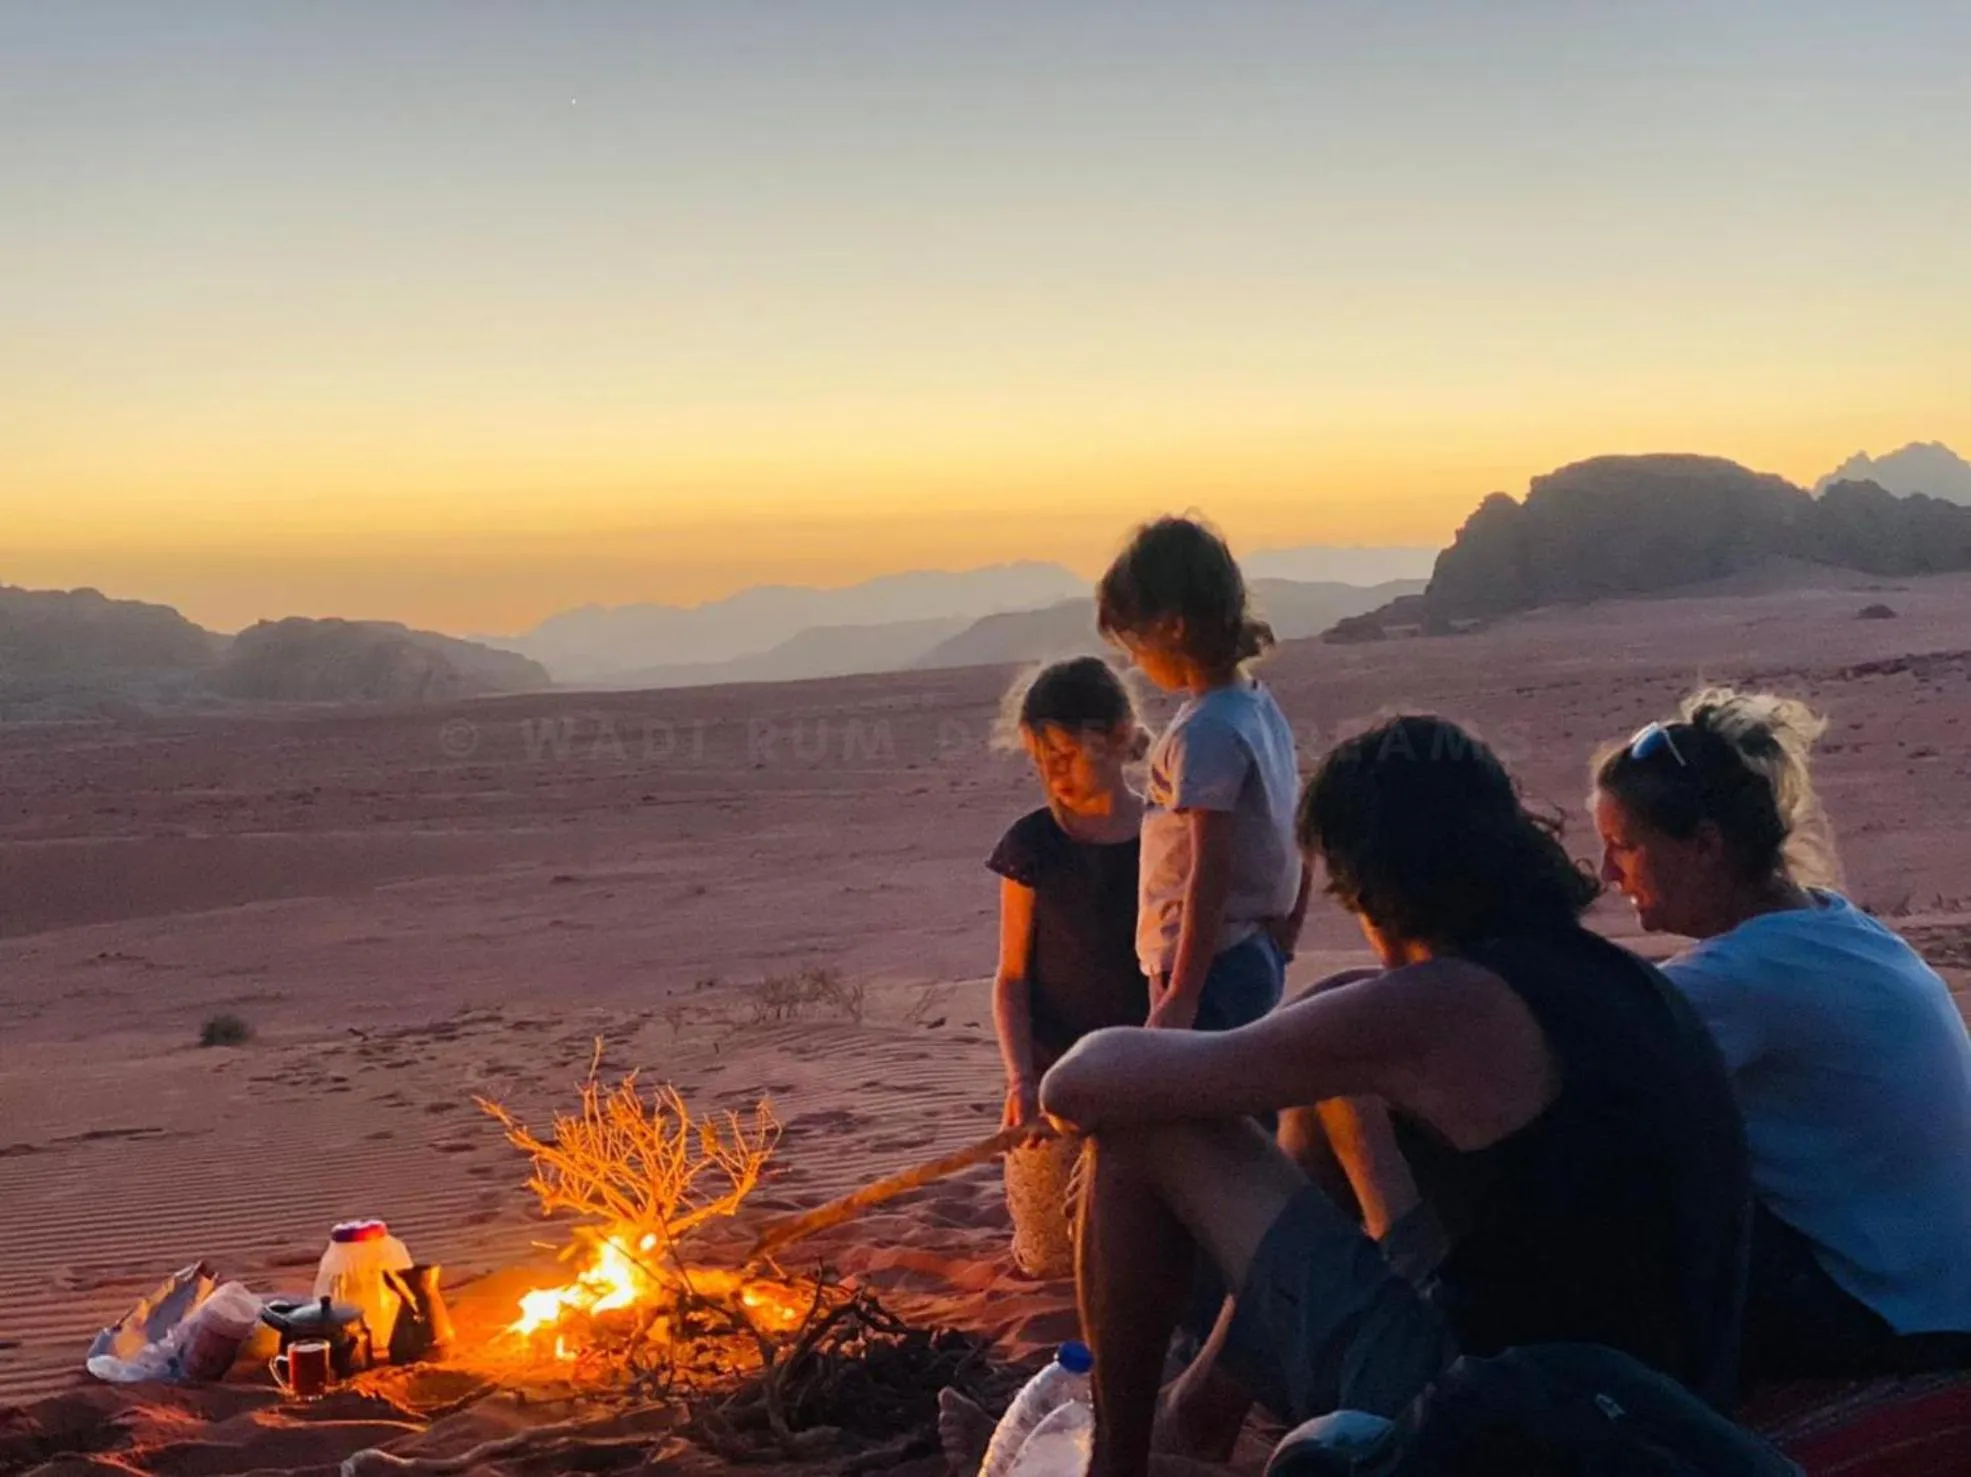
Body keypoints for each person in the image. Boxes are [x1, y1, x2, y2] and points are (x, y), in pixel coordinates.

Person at [1040, 716, 1750, 1477]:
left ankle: (1114, 1463)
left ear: (1367, 884)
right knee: (1333, 1075)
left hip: (1512, 1421)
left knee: (1141, 1125)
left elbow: (1078, 1084)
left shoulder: (1439, 1006)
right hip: (1659, 1398)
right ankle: (1195, 1416)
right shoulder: (1602, 975)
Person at [1594, 687, 1971, 1381]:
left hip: (1901, 1322)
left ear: (1703, 845)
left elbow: (1566, 1056)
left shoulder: (1743, 977)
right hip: (1942, 1294)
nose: (1606, 872)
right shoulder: (1832, 927)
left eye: (1623, 846)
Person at [1094, 515, 1307, 1033]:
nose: (1137, 663)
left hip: (1212, 966)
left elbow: (1210, 866)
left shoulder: (1205, 732)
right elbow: (1298, 823)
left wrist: (1183, 996)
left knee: (1194, 1105)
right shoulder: (1255, 706)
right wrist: (1287, 934)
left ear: (1173, 626)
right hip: (1248, 948)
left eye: (1135, 646)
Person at [988, 657, 1152, 1276]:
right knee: (1052, 1260)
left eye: (1064, 753)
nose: (1052, 773)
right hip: (1055, 1079)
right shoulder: (1032, 847)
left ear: (1116, 736)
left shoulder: (1167, 832)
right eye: (1039, 759)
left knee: (1137, 1250)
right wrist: (1021, 1078)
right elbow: (1010, 979)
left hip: (1146, 1068)